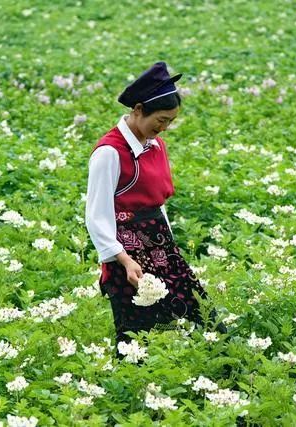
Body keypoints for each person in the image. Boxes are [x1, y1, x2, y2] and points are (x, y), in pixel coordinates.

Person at [85, 62, 225, 353]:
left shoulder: (155, 145)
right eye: (160, 120)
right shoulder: (109, 152)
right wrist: (123, 260)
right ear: (138, 110)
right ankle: (134, 391)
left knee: (203, 315)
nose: (164, 128)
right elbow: (97, 216)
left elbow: (157, 204)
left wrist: (171, 246)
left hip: (160, 244)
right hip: (126, 252)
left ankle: (228, 371)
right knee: (135, 334)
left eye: (170, 121)